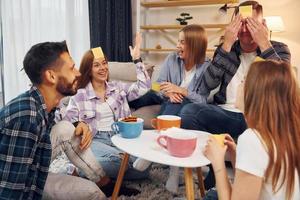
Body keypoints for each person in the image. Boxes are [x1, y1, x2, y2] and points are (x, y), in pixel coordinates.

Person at [178, 1, 291, 189]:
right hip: (226, 113)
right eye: (241, 23)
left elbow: (283, 85)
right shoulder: (227, 49)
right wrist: (227, 45)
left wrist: (264, 43)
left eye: (251, 23)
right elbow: (204, 87)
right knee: (188, 112)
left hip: (259, 116)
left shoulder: (279, 49)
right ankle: (216, 170)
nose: (246, 29)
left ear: (263, 24)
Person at [0, 41, 107, 199]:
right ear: (51, 76)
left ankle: (105, 182)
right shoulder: (26, 118)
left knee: (65, 127)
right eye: (72, 68)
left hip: (35, 166)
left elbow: (60, 129)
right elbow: (9, 190)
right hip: (17, 182)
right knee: (93, 194)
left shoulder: (45, 104)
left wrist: (79, 124)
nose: (78, 73)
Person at [130, 24, 210, 193]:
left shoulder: (206, 67)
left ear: (194, 45)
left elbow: (202, 100)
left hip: (189, 106)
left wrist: (181, 90)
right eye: (178, 41)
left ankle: (152, 157)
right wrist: (169, 92)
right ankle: (173, 173)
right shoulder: (172, 58)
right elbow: (158, 85)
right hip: (167, 98)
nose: (177, 46)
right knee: (152, 95)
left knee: (178, 104)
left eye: (182, 42)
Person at [203, 60, 300, 200]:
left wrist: (217, 162)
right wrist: (238, 155)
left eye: (243, 81)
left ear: (255, 92)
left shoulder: (252, 139)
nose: (239, 85)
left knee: (211, 196)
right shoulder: (288, 135)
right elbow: (254, 185)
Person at [61, 33, 151, 183]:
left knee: (144, 169)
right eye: (97, 65)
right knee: (123, 161)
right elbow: (66, 123)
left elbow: (145, 86)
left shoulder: (118, 88)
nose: (103, 68)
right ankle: (86, 168)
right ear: (88, 70)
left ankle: (87, 171)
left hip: (119, 136)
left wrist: (137, 59)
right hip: (95, 140)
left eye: (104, 63)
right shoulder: (79, 96)